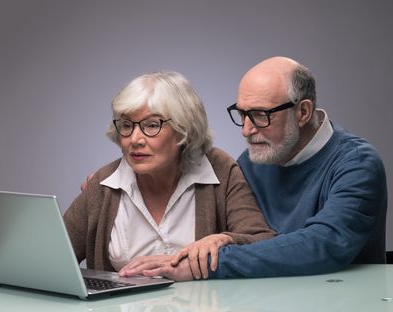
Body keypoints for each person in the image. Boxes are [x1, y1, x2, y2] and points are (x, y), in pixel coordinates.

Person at [153, 57, 387, 280]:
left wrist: (208, 265)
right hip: (267, 307)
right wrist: (226, 238)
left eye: (260, 115)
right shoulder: (252, 160)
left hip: (345, 311)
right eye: (242, 114)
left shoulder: (357, 163)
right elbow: (250, 235)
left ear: (303, 112)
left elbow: (322, 246)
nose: (246, 130)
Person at [63, 71, 275, 279]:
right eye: (127, 125)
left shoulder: (221, 170)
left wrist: (225, 239)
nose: (135, 139)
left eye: (152, 125)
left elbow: (263, 242)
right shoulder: (104, 183)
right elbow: (50, 257)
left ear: (184, 131)